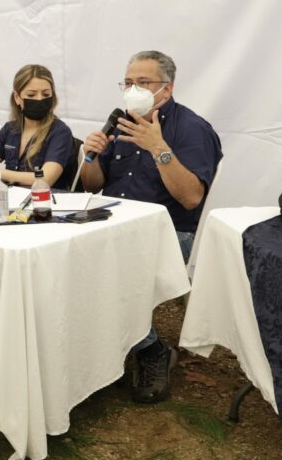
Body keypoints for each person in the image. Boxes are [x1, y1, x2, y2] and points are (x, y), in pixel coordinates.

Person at [79, 50, 223, 404]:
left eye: (144, 83)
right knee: (68, 262)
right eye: (128, 83)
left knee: (107, 279)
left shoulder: (192, 130)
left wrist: (159, 148)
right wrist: (90, 156)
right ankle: (96, 352)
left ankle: (153, 351)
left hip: (167, 234)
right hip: (111, 225)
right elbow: (91, 185)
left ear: (167, 89)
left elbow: (191, 197)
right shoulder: (121, 122)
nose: (133, 90)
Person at [0, 64, 76, 190]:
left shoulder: (60, 132)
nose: (39, 99)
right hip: (13, 202)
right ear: (17, 98)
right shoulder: (10, 129)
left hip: (48, 203)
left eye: (45, 94)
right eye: (31, 95)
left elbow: (45, 179)